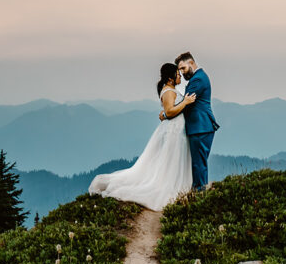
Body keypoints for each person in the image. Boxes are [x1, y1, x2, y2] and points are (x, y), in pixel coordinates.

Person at [88, 63, 196, 211]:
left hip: (176, 129)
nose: (180, 77)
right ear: (171, 78)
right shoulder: (169, 91)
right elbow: (170, 112)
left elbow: (167, 112)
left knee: (172, 159)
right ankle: (167, 185)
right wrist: (185, 102)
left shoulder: (171, 89)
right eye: (177, 74)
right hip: (173, 131)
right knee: (171, 159)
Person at [170, 52, 220, 191]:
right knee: (199, 161)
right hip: (201, 126)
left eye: (183, 68)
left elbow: (186, 102)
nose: (182, 72)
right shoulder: (199, 77)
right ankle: (199, 190)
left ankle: (199, 192)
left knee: (198, 162)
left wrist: (168, 112)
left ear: (191, 63)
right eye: (180, 70)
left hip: (200, 126)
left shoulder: (197, 80)